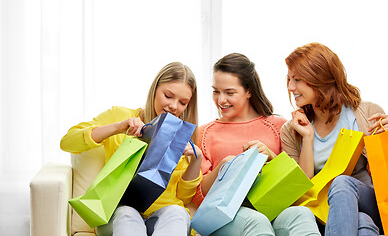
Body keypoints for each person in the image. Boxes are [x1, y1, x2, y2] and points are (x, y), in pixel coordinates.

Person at [60, 62, 203, 236]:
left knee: (178, 212)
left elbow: (184, 197)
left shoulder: (181, 135)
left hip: (162, 217)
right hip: (118, 214)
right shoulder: (121, 116)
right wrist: (117, 128)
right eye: (168, 96)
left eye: (183, 102)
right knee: (127, 213)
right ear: (154, 90)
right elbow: (67, 142)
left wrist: (197, 159)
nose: (174, 106)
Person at [280, 42, 388, 236]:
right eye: (289, 79)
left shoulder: (367, 113)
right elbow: (303, 192)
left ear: (320, 78)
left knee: (342, 183)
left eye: (297, 79)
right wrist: (307, 138)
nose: (290, 87)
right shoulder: (291, 130)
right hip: (326, 214)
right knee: (363, 224)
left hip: (370, 202)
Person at [192, 53, 321, 236]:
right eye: (216, 91)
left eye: (229, 93)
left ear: (248, 91)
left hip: (273, 208)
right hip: (224, 216)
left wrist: (271, 156)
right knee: (256, 222)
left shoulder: (277, 126)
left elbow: (299, 185)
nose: (221, 100)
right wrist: (225, 166)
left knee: (301, 214)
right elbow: (197, 196)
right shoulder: (204, 133)